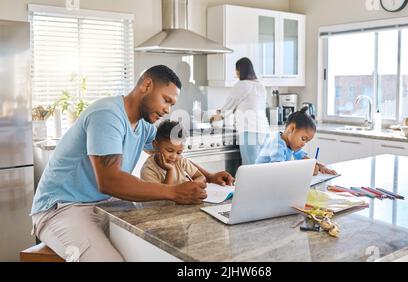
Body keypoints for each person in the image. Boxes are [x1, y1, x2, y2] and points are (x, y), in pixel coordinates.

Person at [30, 65, 234, 262]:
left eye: (172, 105)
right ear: (146, 85)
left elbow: (171, 152)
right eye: (166, 100)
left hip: (106, 204)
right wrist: (175, 192)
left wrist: (209, 176)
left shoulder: (144, 126)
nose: (167, 110)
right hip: (61, 209)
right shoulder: (107, 115)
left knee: (153, 247)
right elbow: (110, 182)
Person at [213, 57, 270, 165]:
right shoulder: (261, 86)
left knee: (250, 169)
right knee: (263, 169)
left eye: (236, 70)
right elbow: (251, 106)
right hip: (264, 131)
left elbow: (226, 110)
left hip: (250, 132)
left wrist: (211, 118)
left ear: (240, 70)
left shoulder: (242, 85)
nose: (236, 73)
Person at [255, 107, 337, 176]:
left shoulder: (291, 144)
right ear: (291, 129)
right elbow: (279, 170)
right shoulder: (277, 144)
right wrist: (307, 171)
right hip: (260, 179)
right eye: (303, 139)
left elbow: (303, 157)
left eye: (306, 141)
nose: (303, 144)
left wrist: (319, 165)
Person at [141, 120, 206, 185]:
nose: (174, 156)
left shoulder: (181, 161)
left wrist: (192, 185)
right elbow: (166, 193)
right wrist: (170, 170)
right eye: (170, 151)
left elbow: (201, 177)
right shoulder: (148, 171)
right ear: (155, 145)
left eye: (179, 153)